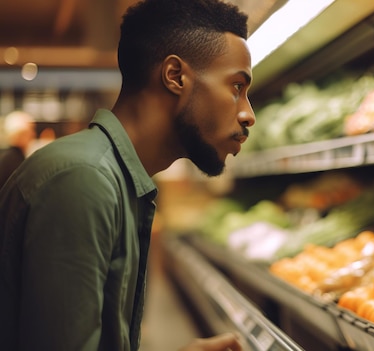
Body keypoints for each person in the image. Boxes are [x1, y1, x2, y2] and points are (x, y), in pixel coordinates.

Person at [0, 0, 255, 350]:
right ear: (175, 76)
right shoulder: (83, 179)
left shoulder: (116, 180)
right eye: (237, 87)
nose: (248, 114)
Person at [0, 110, 36, 189]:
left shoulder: (10, 157)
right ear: (19, 135)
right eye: (30, 131)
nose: (33, 134)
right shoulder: (12, 160)